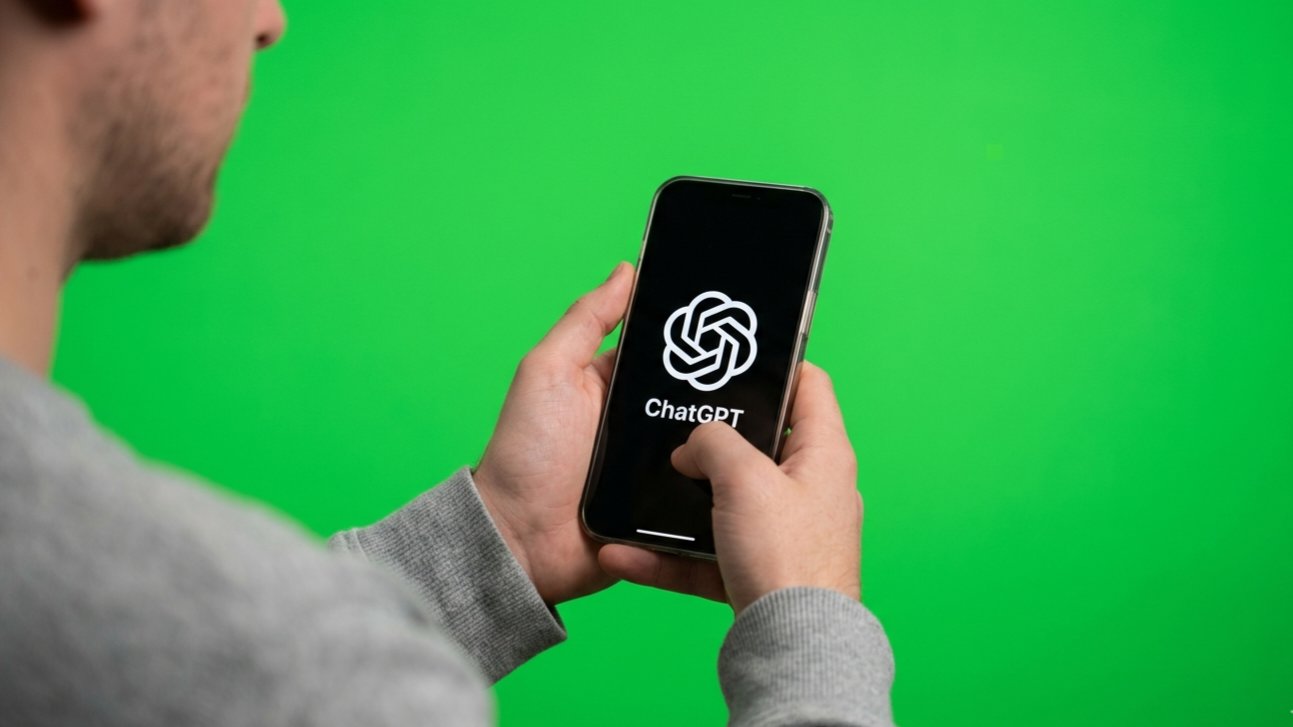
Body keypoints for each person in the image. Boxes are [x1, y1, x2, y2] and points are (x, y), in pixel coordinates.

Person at [0, 1, 896, 724]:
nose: (268, 18)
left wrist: (497, 539)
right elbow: (263, 671)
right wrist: (811, 631)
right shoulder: (302, 675)